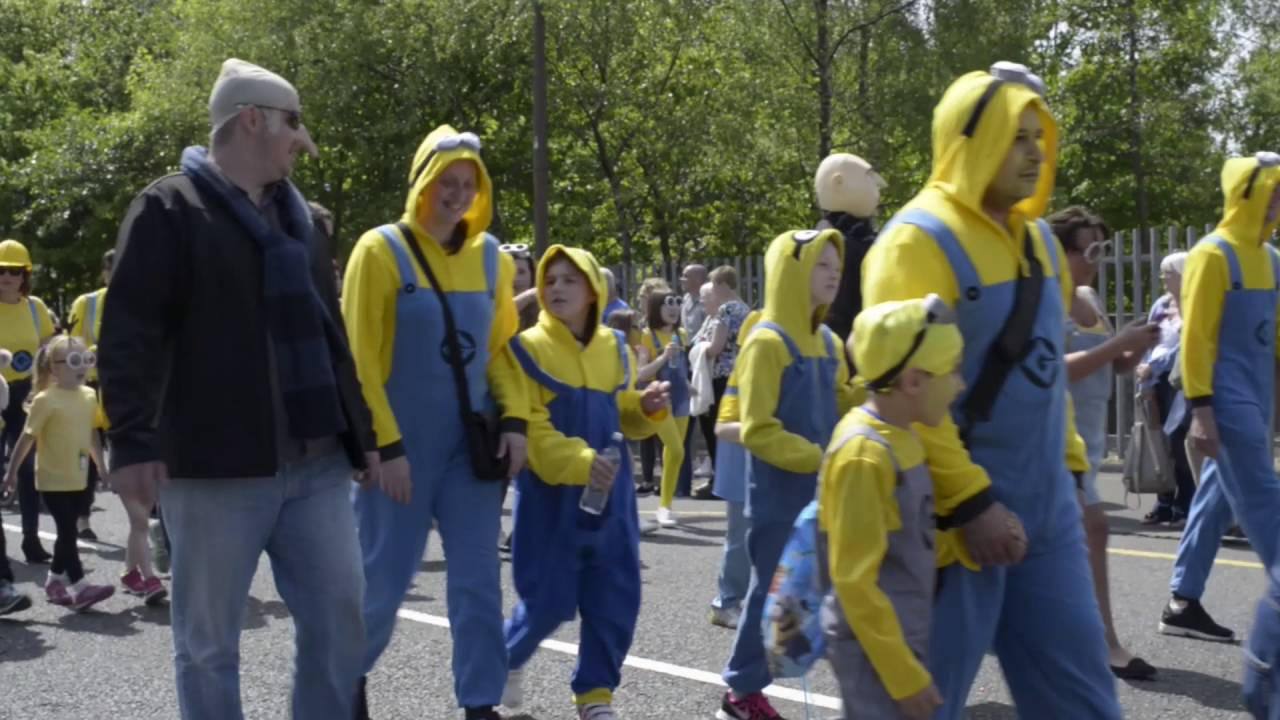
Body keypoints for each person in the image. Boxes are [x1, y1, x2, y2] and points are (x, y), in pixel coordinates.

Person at [100, 58, 378, 720]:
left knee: (342, 627)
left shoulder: (305, 220)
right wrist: (132, 442)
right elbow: (129, 331)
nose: (301, 140)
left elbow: (329, 331)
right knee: (208, 647)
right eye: (293, 123)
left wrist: (363, 435)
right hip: (212, 470)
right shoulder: (167, 208)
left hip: (315, 465)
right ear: (252, 120)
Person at [862, 62, 1121, 719]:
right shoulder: (916, 241)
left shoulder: (1037, 238)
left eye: (1040, 137)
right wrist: (971, 503)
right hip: (950, 523)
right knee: (921, 705)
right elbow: (907, 393)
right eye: (1017, 136)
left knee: (1084, 701)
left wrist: (1071, 471)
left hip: (1048, 513)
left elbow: (1043, 366)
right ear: (970, 138)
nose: (1036, 153)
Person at [342, 124, 528, 720]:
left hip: (469, 452)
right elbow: (360, 361)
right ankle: (342, 682)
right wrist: (385, 447)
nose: (456, 194)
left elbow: (501, 350)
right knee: (381, 586)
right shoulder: (378, 250)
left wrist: (517, 420)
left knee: (477, 585)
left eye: (467, 184)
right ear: (422, 182)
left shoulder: (493, 255)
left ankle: (480, 703)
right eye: (446, 182)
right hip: (398, 454)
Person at [500, 245, 670, 720]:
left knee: (614, 596)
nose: (555, 287)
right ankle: (506, 657)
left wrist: (649, 407)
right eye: (549, 280)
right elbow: (532, 429)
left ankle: (595, 696)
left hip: (610, 497)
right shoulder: (526, 347)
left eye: (568, 280)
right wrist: (580, 461)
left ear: (593, 291)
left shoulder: (614, 349)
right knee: (548, 601)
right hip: (550, 499)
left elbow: (625, 416)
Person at [717, 228, 859, 720]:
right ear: (789, 272)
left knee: (810, 592)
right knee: (770, 592)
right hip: (778, 495)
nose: (833, 274)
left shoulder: (828, 341)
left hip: (824, 492)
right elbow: (757, 429)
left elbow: (843, 399)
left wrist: (882, 389)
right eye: (821, 264)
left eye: (836, 267)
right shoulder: (766, 342)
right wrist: (819, 457)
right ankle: (740, 692)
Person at [820, 296, 964, 720]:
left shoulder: (904, 435)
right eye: (952, 370)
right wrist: (903, 677)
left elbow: (908, 535)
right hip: (874, 652)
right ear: (914, 381)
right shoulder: (866, 454)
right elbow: (853, 581)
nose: (961, 383)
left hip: (899, 637)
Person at [1160, 152, 1280, 644]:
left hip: (1257, 395)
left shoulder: (1271, 258)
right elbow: (1195, 340)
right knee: (1264, 499)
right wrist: (1201, 412)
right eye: (1271, 190)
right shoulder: (1213, 253)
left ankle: (1182, 602)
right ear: (1245, 193)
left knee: (1215, 496)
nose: (1278, 201)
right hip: (1225, 400)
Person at [1051, 206, 1160, 680]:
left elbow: (1112, 366)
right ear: (1061, 251)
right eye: (1089, 249)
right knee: (1094, 529)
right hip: (1058, 439)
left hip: (1090, 444)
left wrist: (1142, 344)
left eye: (1102, 248)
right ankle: (1105, 642)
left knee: (1045, 547)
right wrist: (1118, 347)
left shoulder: (1090, 296)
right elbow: (1056, 369)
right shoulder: (1044, 301)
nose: (1097, 259)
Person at [3, 335, 116, 611]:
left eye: (87, 360)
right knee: (67, 530)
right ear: (53, 367)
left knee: (68, 531)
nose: (83, 367)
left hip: (80, 475)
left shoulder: (89, 395)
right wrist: (12, 473)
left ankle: (54, 581)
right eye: (74, 361)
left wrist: (101, 466)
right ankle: (80, 587)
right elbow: (27, 439)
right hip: (52, 477)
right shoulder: (45, 399)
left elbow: (91, 433)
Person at [0, 239, 57, 564]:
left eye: (13, 270)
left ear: (24, 275)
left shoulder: (35, 308)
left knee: (27, 470)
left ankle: (31, 540)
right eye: (1, 271)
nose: (6, 276)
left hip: (26, 393)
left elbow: (48, 351)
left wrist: (47, 390)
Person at [708, 309, 761, 630]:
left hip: (760, 461)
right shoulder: (747, 367)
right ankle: (726, 602)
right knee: (741, 535)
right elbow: (725, 426)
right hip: (742, 462)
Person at [1137, 251, 1197, 527]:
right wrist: (1145, 375)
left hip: (1179, 380)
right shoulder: (1161, 304)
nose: (1163, 278)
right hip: (1155, 380)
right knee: (1157, 440)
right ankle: (1164, 502)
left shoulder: (1194, 303)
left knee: (1178, 441)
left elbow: (1185, 346)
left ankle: (1185, 503)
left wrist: (1155, 365)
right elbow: (1151, 339)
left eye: (1168, 273)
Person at [815, 153, 888, 343]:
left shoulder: (864, 237)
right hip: (843, 348)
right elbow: (834, 310)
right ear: (837, 183)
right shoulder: (830, 243)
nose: (877, 190)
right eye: (869, 180)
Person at [67, 247, 114, 541]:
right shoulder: (87, 303)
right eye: (112, 269)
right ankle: (83, 518)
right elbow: (70, 346)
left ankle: (151, 518)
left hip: (126, 389)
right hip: (91, 387)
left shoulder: (143, 299)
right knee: (88, 454)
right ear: (104, 273)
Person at [637, 289, 692, 527]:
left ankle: (665, 506)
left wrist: (690, 385)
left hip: (681, 398)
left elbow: (683, 368)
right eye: (668, 304)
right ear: (657, 307)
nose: (673, 308)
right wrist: (662, 356)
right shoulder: (647, 336)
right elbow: (641, 373)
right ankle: (664, 506)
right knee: (676, 449)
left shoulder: (682, 334)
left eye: (677, 303)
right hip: (660, 400)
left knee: (674, 455)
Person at [680, 263, 709, 337]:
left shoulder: (708, 302)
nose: (681, 279)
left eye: (686, 276)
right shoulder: (685, 299)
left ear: (698, 280)